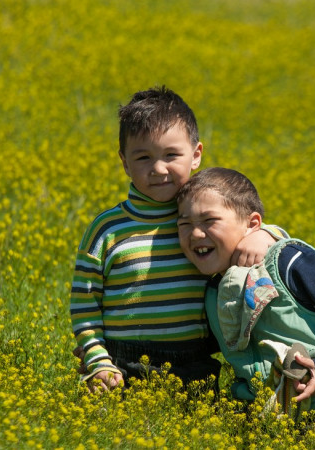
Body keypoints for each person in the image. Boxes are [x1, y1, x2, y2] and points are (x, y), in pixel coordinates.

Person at [70, 87, 280, 393]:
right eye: (143, 157)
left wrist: (267, 235)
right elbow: (84, 303)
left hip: (195, 361)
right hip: (121, 364)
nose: (158, 169)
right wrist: (97, 359)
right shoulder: (107, 229)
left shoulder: (205, 219)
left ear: (195, 155)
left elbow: (251, 226)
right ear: (124, 162)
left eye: (171, 155)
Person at [176, 167, 315, 445]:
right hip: (276, 416)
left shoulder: (286, 260)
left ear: (253, 224)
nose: (195, 233)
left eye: (209, 220)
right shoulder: (214, 290)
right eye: (184, 224)